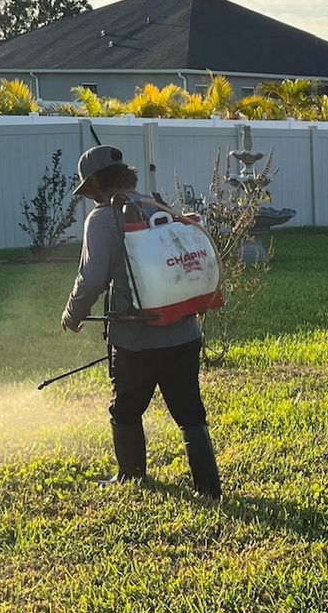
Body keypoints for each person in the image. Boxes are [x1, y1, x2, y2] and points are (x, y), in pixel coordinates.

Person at [61, 144, 222, 496]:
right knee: (189, 411)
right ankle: (209, 487)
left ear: (95, 184)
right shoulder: (158, 205)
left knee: (126, 410)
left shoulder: (102, 219)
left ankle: (130, 476)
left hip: (136, 341)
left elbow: (91, 278)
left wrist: (72, 313)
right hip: (184, 332)